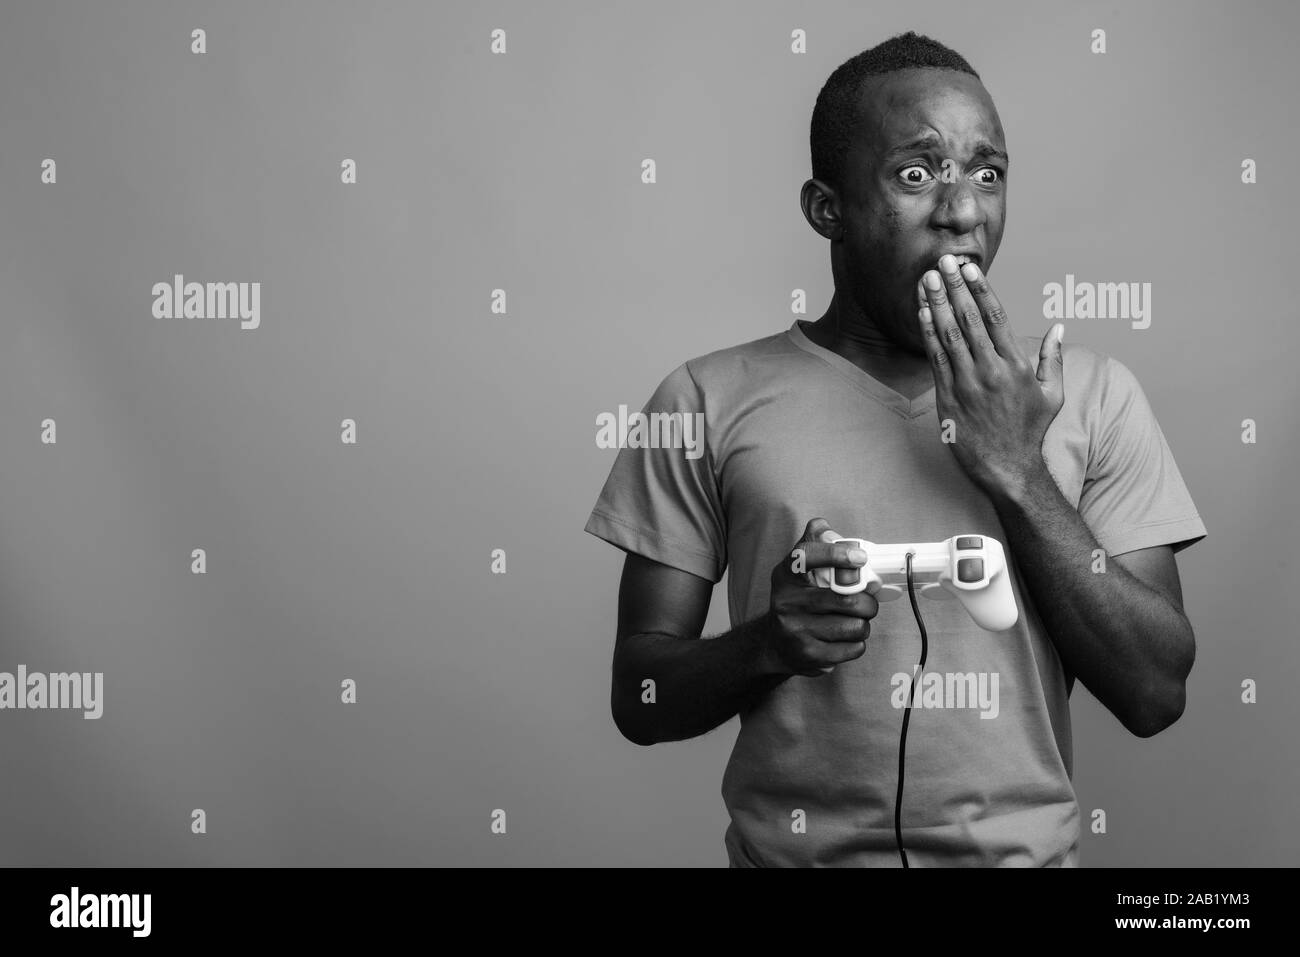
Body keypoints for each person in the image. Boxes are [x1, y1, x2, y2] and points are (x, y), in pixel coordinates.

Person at [583, 31, 1206, 867]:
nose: (963, 211)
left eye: (988, 173)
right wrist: (769, 643)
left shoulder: (1092, 394)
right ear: (825, 208)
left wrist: (1019, 469)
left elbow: (1156, 692)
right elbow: (641, 697)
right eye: (917, 174)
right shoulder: (703, 399)